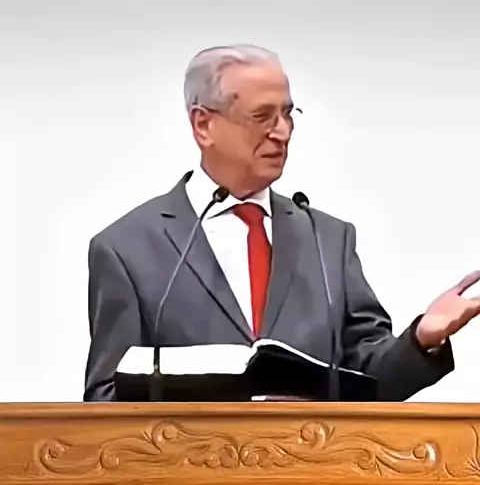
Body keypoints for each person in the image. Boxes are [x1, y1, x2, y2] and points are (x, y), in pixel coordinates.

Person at [83, 44, 480, 402]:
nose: (282, 132)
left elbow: (370, 383)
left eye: (288, 114)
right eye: (262, 117)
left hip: (311, 460)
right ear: (203, 125)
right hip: (190, 461)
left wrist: (422, 338)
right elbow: (105, 399)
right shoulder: (126, 249)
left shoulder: (327, 240)